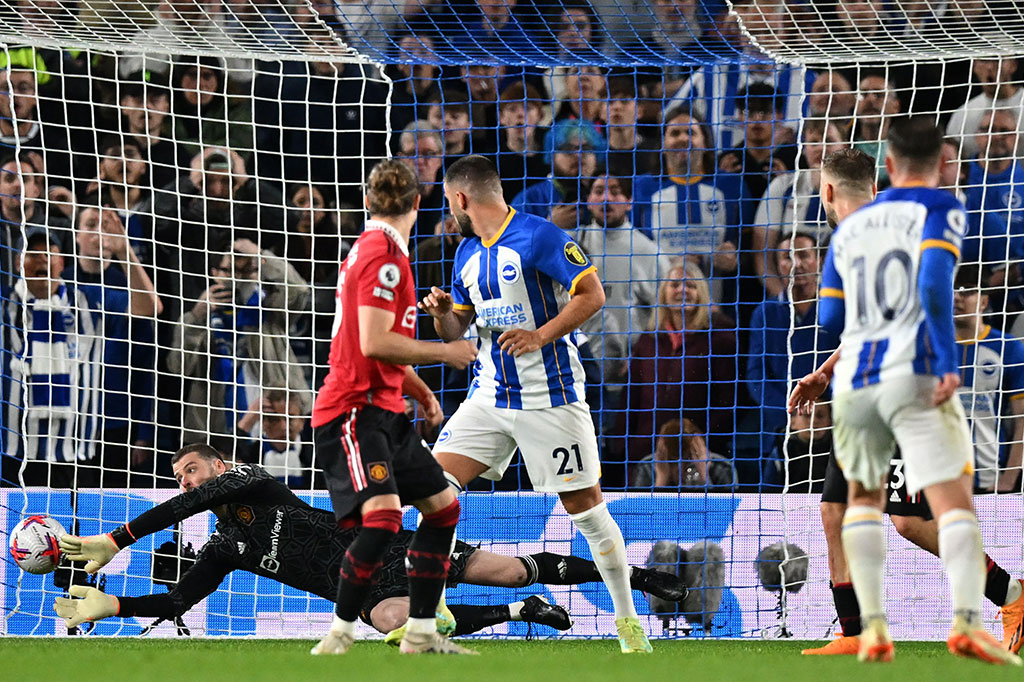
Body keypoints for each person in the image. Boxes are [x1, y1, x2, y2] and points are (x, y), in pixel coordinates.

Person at [796, 119, 1020, 664]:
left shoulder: (877, 227)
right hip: (866, 381)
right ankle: (854, 629)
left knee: (908, 519)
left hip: (895, 383)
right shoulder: (925, 217)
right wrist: (826, 371)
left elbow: (851, 314)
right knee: (835, 510)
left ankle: (1009, 597)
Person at [55, 444, 687, 635]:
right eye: (178, 475)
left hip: (378, 544)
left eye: (191, 468)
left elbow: (201, 499)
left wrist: (120, 535)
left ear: (218, 468)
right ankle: (522, 616)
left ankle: (641, 579)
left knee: (510, 567)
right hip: (356, 591)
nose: (187, 480)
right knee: (399, 624)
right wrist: (112, 605)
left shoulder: (250, 480)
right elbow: (173, 603)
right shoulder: (224, 548)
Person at [419, 155, 653, 653]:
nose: (448, 209)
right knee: (430, 489)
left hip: (551, 399)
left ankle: (628, 622)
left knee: (586, 511)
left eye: (448, 200)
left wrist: (539, 335)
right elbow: (458, 327)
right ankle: (434, 604)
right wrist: (442, 316)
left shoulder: (539, 235)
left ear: (461, 198)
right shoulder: (465, 254)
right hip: (488, 397)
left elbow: (592, 293)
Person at [309, 159, 478, 655]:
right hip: (352, 412)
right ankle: (339, 632)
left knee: (443, 510)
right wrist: (447, 351)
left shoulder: (382, 253)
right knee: (383, 521)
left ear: (367, 202)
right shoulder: (382, 257)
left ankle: (422, 631)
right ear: (419, 204)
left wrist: (422, 391)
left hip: (385, 410)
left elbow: (379, 345)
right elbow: (375, 342)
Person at [64, 206, 162, 486]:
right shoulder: (57, 282)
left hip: (117, 421)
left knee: (112, 508)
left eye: (107, 226)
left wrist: (144, 431)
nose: (99, 232)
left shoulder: (129, 285)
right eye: (91, 224)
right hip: (69, 417)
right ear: (77, 234)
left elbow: (147, 364)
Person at [614, 260, 737, 477]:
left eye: (690, 285)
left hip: (698, 455)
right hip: (645, 452)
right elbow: (630, 397)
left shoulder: (721, 338)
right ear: (663, 293)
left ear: (701, 292)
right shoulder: (648, 339)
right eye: (675, 285)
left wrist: (701, 441)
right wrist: (623, 447)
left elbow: (731, 400)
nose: (682, 290)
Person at [0, 228, 101, 487]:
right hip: (14, 448)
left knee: (77, 527)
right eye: (32, 253)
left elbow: (150, 307)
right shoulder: (4, 303)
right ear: (17, 262)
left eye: (49, 252)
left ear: (62, 262)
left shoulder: (88, 299)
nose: (42, 258)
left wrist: (123, 251)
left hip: (73, 448)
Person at [951, 265, 1024, 493]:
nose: (957, 297)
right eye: (952, 290)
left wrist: (1009, 478)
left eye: (967, 291)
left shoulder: (1008, 348)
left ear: (984, 302)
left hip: (988, 477)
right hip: (939, 478)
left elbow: (1022, 419)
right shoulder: (932, 346)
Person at [947, 58, 1024, 159]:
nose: (990, 67)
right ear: (974, 66)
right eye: (983, 61)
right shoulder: (962, 115)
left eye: (997, 60)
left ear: (1013, 64)